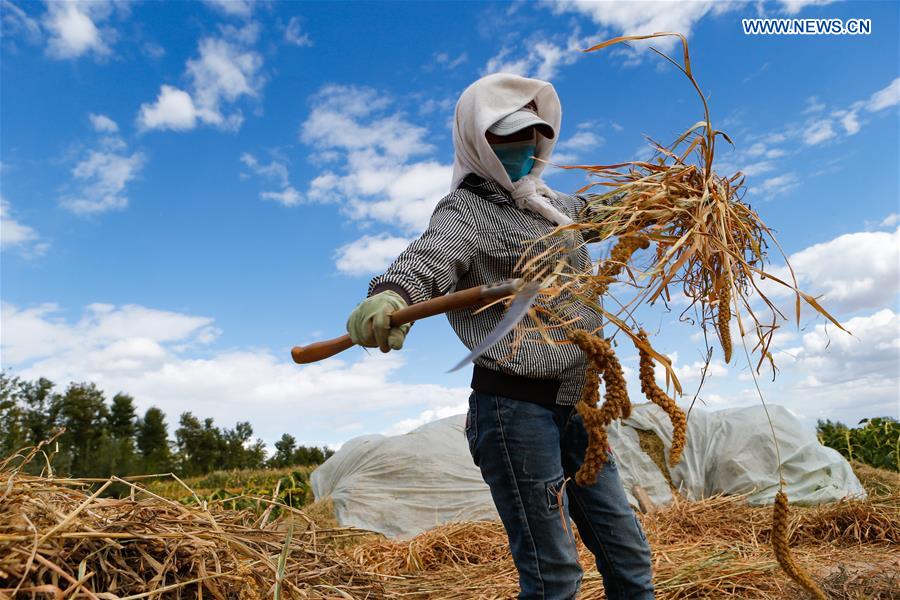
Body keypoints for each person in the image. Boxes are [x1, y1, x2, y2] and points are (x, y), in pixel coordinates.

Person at [346, 73, 654, 600]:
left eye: (532, 135)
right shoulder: (466, 212)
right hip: (516, 413)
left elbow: (604, 214)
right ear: (477, 141)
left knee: (628, 555)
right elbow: (430, 258)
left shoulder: (550, 204)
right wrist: (394, 295)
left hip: (579, 409)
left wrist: (658, 198)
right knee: (554, 574)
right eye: (507, 137)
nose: (525, 147)